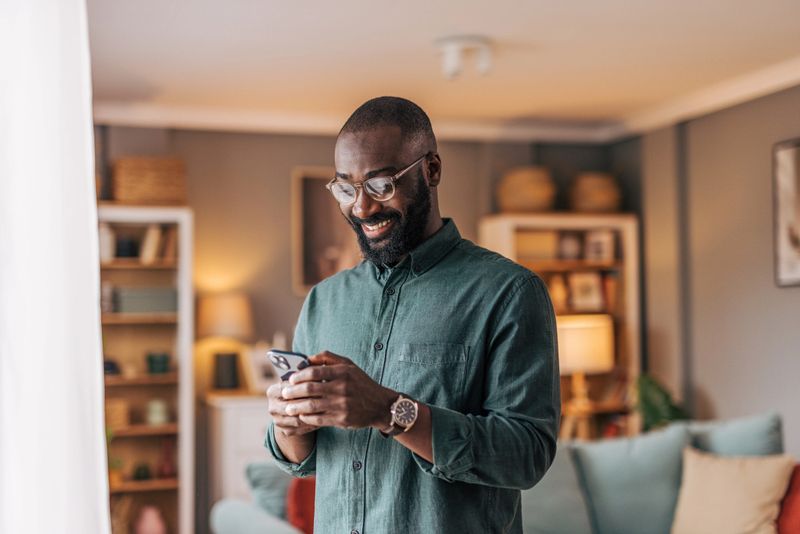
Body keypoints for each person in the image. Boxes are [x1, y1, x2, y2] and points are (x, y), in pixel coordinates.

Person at [266, 96, 559, 533]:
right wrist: (289, 424)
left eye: (381, 185)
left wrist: (389, 410)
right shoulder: (324, 301)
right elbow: (302, 461)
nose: (361, 208)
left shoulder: (509, 292)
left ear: (432, 170)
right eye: (346, 189)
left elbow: (527, 455)